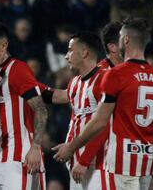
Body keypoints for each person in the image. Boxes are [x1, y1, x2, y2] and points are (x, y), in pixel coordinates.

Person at [52, 18, 153, 190]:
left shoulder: (115, 75)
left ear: (125, 40)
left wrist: (71, 147)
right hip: (146, 162)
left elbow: (100, 121)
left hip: (120, 162)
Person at [0, 22, 48, 189]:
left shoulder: (18, 69)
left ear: (4, 46)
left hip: (19, 156)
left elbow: (41, 109)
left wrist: (36, 147)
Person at [41, 32, 108, 189]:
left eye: (70, 50)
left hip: (99, 163)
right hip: (76, 163)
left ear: (84, 52)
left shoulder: (105, 80)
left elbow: (104, 124)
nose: (66, 56)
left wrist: (84, 160)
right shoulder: (75, 83)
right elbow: (57, 97)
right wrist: (23, 86)